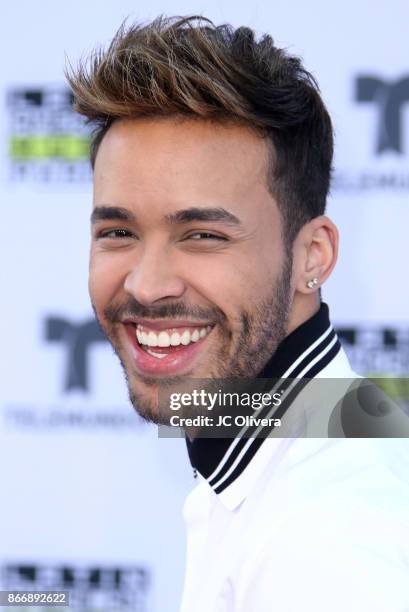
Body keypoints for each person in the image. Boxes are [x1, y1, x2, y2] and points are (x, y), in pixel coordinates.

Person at [66, 16, 409, 611]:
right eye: (119, 231)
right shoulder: (286, 448)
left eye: (201, 235)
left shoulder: (329, 540)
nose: (147, 286)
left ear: (313, 256)